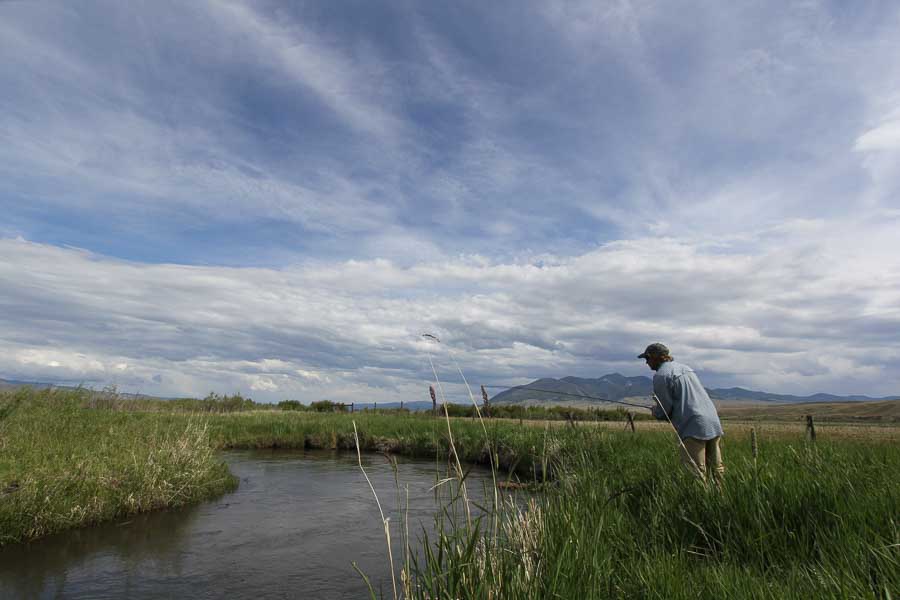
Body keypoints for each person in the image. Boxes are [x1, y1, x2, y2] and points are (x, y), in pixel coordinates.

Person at [638, 343, 725, 481]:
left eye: (647, 358)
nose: (646, 363)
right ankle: (720, 493)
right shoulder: (686, 368)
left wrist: (656, 412)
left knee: (695, 472)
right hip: (712, 420)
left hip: (692, 425)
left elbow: (665, 409)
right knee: (716, 469)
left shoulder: (661, 376)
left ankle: (699, 496)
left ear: (656, 357)